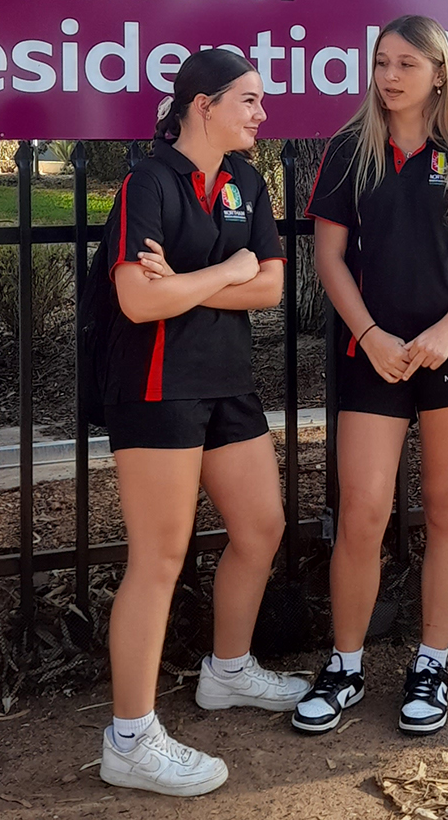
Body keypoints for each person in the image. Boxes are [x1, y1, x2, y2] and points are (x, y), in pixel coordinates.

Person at [298, 14, 448, 737]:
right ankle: (346, 666)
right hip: (373, 356)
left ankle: (431, 662)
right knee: (362, 513)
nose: (389, 77)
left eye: (405, 64)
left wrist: (447, 329)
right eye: (381, 62)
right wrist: (371, 334)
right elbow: (328, 259)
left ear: (438, 72)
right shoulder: (346, 151)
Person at [96, 49, 308, 797]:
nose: (261, 113)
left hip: (225, 384)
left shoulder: (247, 181)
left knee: (262, 527)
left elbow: (273, 287)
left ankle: (226, 673)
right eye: (247, 100)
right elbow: (138, 302)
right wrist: (224, 272)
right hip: (156, 390)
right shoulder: (147, 181)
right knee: (157, 558)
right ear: (200, 104)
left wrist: (187, 283)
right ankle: (129, 739)